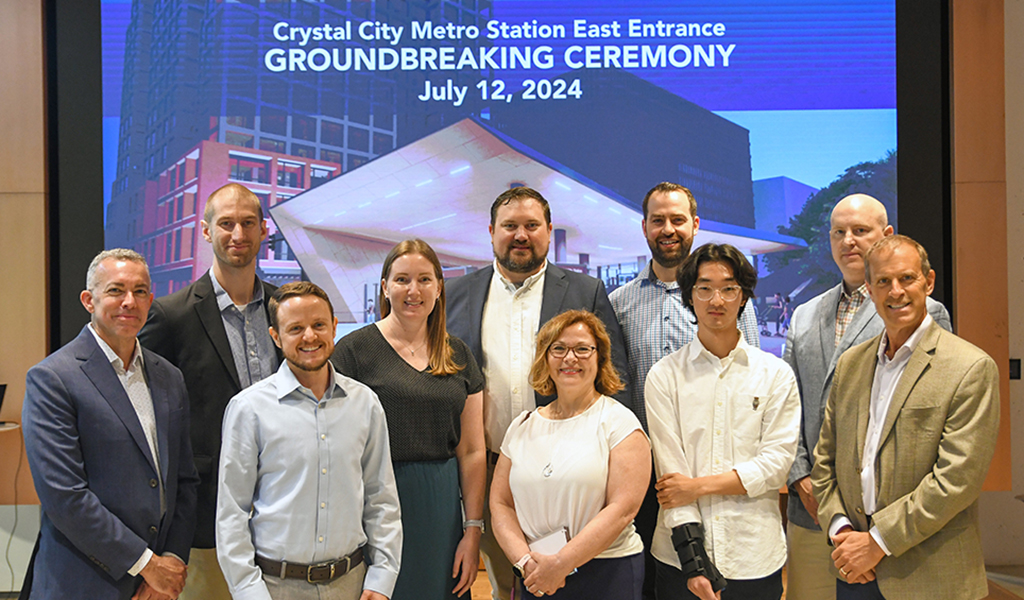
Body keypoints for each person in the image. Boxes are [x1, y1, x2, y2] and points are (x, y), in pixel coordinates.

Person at [445, 185, 631, 600]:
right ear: (491, 231)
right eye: (510, 226)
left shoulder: (586, 292)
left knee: (566, 581)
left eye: (532, 225)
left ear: (549, 231)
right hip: (488, 469)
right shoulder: (455, 294)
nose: (521, 235)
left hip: (570, 472)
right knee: (503, 581)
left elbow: (614, 379)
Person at [811, 235, 999, 600]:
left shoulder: (970, 367)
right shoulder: (851, 364)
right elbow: (825, 459)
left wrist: (877, 542)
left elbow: (956, 480)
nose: (895, 291)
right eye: (883, 281)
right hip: (854, 570)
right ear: (869, 289)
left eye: (906, 279)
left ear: (928, 282)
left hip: (931, 579)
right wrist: (841, 530)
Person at [782, 194, 951, 600]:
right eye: (839, 232)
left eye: (860, 231)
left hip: (888, 516)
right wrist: (800, 477)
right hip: (811, 506)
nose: (849, 241)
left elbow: (931, 414)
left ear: (886, 235)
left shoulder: (923, 310)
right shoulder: (804, 314)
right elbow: (786, 404)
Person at [609, 182, 761, 600]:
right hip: (643, 477)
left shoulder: (730, 302)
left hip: (711, 471)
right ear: (644, 228)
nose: (668, 229)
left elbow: (751, 380)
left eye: (677, 219)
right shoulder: (619, 304)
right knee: (653, 582)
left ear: (695, 224)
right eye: (658, 220)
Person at [22, 248, 199, 599]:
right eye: (116, 290)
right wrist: (147, 565)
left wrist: (170, 563)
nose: (129, 302)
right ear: (89, 300)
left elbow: (185, 481)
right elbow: (65, 498)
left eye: (140, 292)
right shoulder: (53, 379)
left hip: (156, 586)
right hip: (82, 582)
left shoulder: (170, 377)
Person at [139, 183, 281, 600]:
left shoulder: (285, 308)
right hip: (207, 517)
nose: (238, 234)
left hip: (282, 509)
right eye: (226, 224)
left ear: (263, 230)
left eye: (248, 223)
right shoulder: (171, 315)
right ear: (205, 232)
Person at [216, 282, 402, 600]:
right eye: (295, 328)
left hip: (352, 585)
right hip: (275, 588)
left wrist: (381, 579)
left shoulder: (365, 403)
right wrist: (249, 591)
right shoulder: (249, 409)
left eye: (318, 325)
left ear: (334, 327)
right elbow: (232, 512)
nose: (310, 337)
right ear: (275, 336)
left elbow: (381, 500)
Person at [331, 239, 486, 599]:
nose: (413, 290)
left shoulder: (459, 353)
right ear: (385, 286)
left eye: (424, 280)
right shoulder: (352, 352)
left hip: (442, 511)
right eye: (402, 280)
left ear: (439, 287)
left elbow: (474, 450)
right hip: (374, 508)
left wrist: (473, 529)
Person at [645, 244, 800, 600]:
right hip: (678, 560)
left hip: (754, 555)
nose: (717, 299)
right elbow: (672, 475)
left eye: (729, 288)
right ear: (690, 296)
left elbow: (775, 468)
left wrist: (698, 486)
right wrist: (694, 563)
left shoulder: (775, 375)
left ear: (743, 296)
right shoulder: (665, 375)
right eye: (704, 288)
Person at [490, 310, 650, 599]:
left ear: (600, 357)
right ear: (545, 358)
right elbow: (500, 503)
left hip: (606, 573)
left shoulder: (620, 423)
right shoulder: (521, 426)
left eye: (582, 349)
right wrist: (526, 562)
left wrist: (562, 564)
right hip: (536, 574)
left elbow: (622, 509)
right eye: (559, 349)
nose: (570, 358)